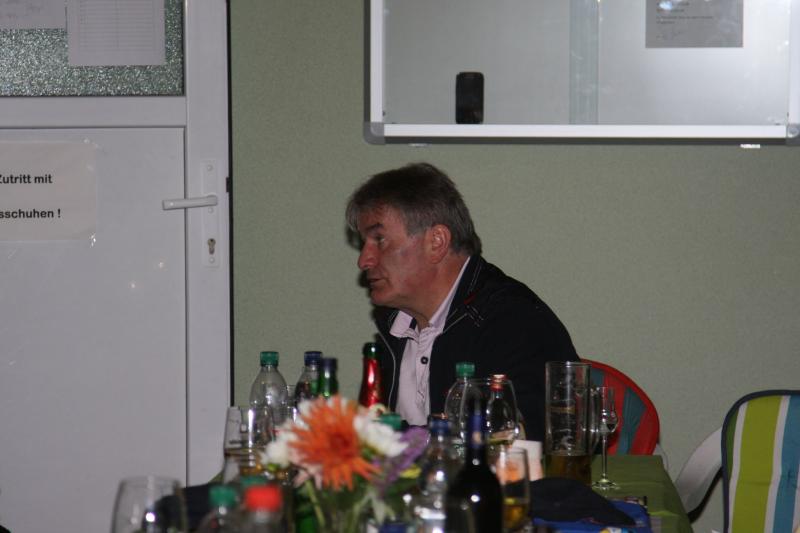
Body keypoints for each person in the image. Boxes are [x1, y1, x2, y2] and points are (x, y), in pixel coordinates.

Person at [346, 162, 579, 441]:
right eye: (364, 244)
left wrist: (395, 438)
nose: (364, 260)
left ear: (437, 242)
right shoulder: (393, 328)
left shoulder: (516, 323)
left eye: (380, 239)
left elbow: (520, 441)